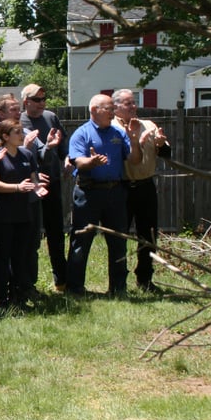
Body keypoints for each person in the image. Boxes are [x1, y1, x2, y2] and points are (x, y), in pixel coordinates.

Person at [65, 94, 142, 297]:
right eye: (108, 108)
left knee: (118, 241)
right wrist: (92, 162)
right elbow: (78, 162)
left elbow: (135, 160)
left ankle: (118, 288)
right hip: (88, 193)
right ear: (94, 111)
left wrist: (134, 140)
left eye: (112, 108)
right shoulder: (82, 134)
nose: (112, 112)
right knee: (81, 240)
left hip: (115, 192)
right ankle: (75, 288)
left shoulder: (118, 133)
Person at [111, 89, 171, 292]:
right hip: (121, 188)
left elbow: (166, 153)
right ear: (116, 107)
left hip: (145, 187)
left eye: (134, 103)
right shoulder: (111, 128)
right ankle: (118, 282)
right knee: (119, 237)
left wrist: (161, 144)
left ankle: (145, 279)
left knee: (149, 236)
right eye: (128, 103)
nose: (133, 107)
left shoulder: (149, 125)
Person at [0, 119, 47, 308]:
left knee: (21, 254)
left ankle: (18, 295)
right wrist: (17, 188)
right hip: (3, 213)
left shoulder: (27, 154)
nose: (22, 136)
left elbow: (33, 179)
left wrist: (38, 189)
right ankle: (1, 296)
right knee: (4, 253)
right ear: (5, 136)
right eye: (17, 133)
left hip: (24, 211)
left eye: (21, 132)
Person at [20, 84, 69, 291]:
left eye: (44, 99)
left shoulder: (50, 117)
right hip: (30, 184)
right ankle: (27, 282)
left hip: (53, 182)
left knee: (56, 232)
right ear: (26, 102)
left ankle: (61, 280)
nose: (43, 104)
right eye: (37, 100)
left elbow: (64, 146)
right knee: (30, 234)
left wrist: (67, 159)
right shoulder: (19, 121)